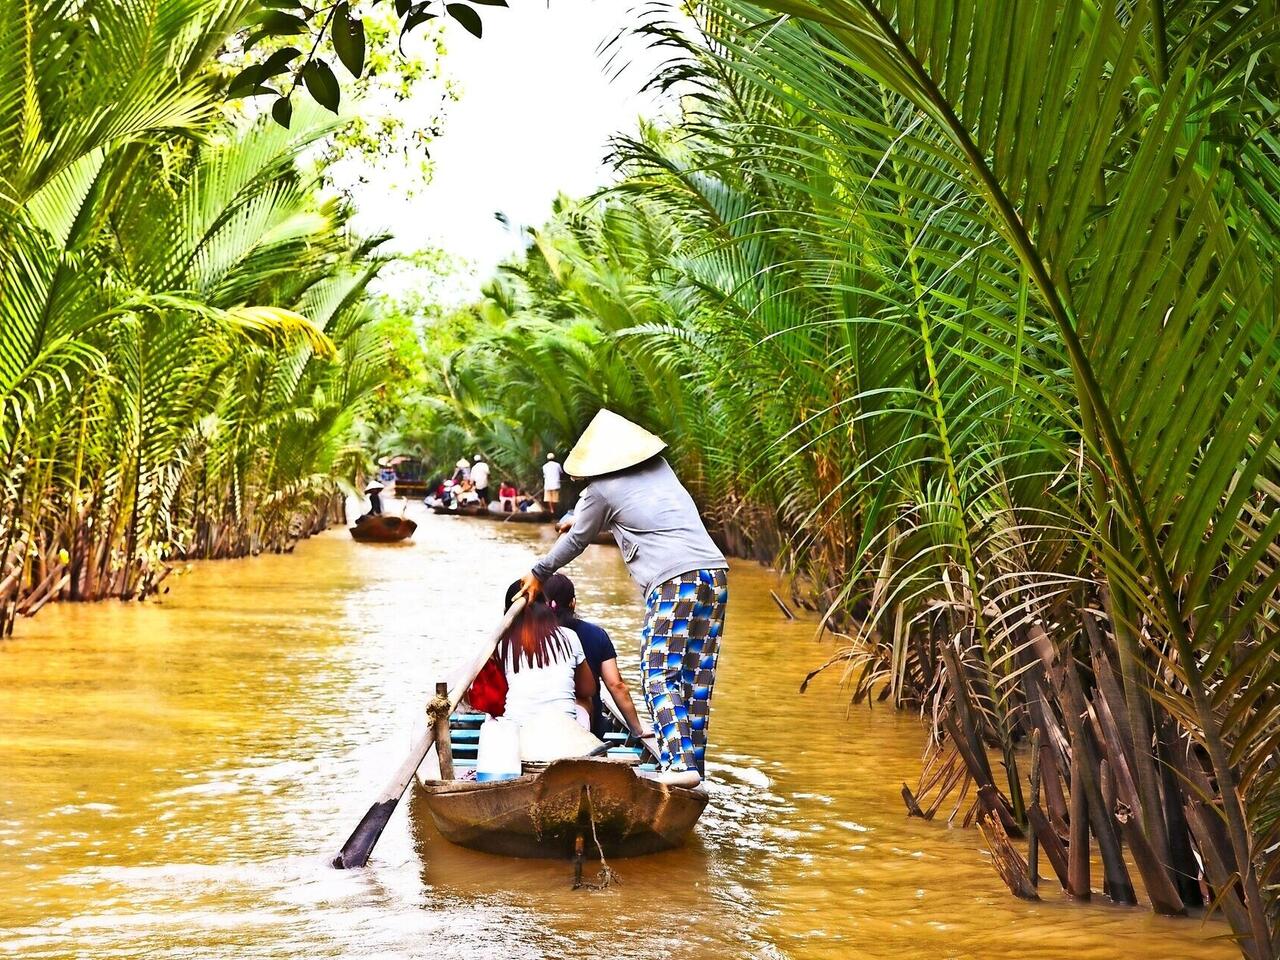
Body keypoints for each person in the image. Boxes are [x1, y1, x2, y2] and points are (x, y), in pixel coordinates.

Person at [518, 410, 728, 788]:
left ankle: (679, 764)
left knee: (658, 672)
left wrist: (539, 571)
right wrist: (580, 518)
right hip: (714, 574)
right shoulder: (661, 469)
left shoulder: (600, 490)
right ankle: (693, 767)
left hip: (674, 580)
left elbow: (577, 539)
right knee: (695, 677)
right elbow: (631, 508)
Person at [542, 573, 648, 742]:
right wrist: (637, 730)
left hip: (540, 722)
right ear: (573, 602)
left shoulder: (530, 638)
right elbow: (616, 685)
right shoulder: (596, 635)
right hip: (590, 726)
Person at [498, 580, 595, 729]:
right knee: (585, 701)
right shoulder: (570, 636)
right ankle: (587, 738)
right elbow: (588, 689)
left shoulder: (502, 644)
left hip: (518, 726)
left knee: (493, 716)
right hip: (563, 727)